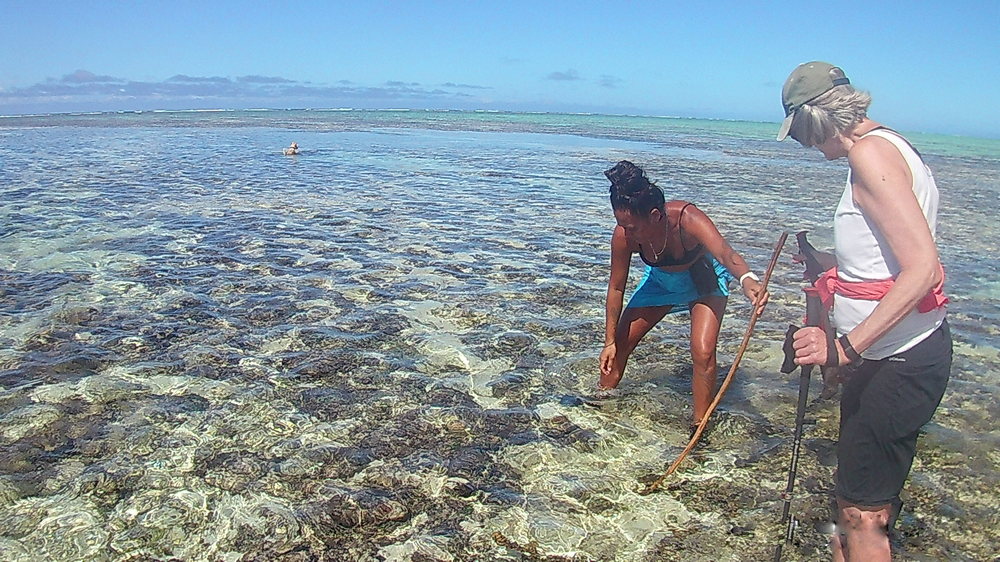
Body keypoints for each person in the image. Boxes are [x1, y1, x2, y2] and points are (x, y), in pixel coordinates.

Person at [778, 62, 951, 561]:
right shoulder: (891, 146)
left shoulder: (870, 156)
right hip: (893, 357)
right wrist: (829, 265)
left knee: (862, 515)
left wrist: (843, 348)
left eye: (799, 132)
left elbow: (923, 272)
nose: (803, 145)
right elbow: (890, 260)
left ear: (815, 118)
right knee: (861, 498)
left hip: (897, 361)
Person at [598, 160, 768, 432]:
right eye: (621, 224)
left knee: (702, 352)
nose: (625, 233)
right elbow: (616, 287)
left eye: (632, 226)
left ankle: (699, 426)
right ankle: (600, 407)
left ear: (655, 216)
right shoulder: (623, 236)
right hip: (661, 283)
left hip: (704, 279)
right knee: (618, 347)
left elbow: (724, 253)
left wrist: (748, 279)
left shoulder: (688, 219)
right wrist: (608, 341)